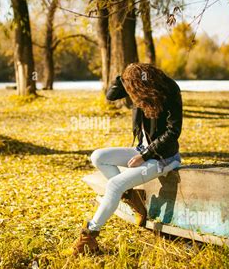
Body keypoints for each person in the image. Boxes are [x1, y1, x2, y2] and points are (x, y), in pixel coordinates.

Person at [73, 63, 183, 255]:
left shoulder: (169, 90)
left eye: (133, 90)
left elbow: (173, 132)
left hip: (163, 158)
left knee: (114, 185)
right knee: (98, 156)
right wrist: (124, 74)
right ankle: (132, 197)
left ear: (144, 87)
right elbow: (111, 96)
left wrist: (145, 156)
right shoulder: (137, 84)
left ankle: (89, 236)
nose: (131, 95)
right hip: (141, 150)